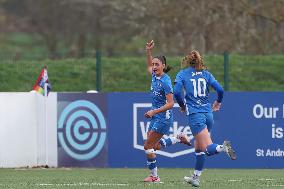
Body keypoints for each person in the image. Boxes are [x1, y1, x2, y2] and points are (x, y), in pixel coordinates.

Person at [173, 50, 236, 187]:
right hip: (208, 114)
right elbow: (220, 90)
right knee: (199, 148)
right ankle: (195, 177)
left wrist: (183, 105)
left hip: (195, 115)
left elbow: (177, 92)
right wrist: (218, 102)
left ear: (188, 60)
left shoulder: (182, 74)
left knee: (207, 148)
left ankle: (223, 147)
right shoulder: (206, 74)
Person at [143, 40, 191, 182]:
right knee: (155, 146)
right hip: (156, 117)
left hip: (163, 118)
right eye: (154, 64)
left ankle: (155, 177)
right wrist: (148, 51)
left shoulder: (165, 81)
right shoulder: (154, 75)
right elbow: (148, 64)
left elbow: (171, 103)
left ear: (163, 66)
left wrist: (153, 112)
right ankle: (178, 138)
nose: (154, 66)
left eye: (157, 64)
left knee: (148, 146)